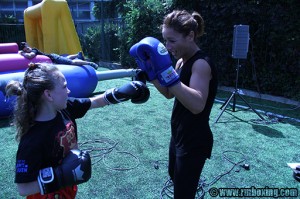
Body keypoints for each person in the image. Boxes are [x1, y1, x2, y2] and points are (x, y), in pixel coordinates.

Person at [5, 62, 150, 198]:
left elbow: (95, 101)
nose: (68, 91)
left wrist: (121, 93)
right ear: (48, 95)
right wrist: (62, 175)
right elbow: (23, 188)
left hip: (67, 189)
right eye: (64, 87)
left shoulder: (66, 107)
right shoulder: (32, 140)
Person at [131, 10, 218, 199]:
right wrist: (151, 74)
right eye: (165, 40)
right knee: (175, 178)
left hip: (194, 139)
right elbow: (170, 93)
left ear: (190, 36)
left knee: (184, 193)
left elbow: (197, 104)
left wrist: (167, 75)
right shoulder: (180, 62)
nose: (167, 46)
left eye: (172, 40)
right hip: (179, 133)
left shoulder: (201, 64)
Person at [19, 42, 99, 69]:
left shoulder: (34, 50)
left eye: (27, 48)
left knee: (71, 62)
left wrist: (22, 53)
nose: (27, 50)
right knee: (64, 58)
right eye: (25, 50)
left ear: (28, 46)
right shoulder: (30, 51)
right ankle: (77, 55)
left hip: (54, 58)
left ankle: (89, 63)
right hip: (54, 58)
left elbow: (30, 56)